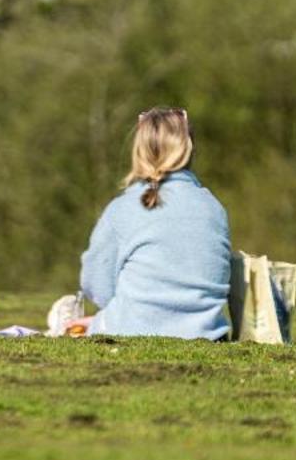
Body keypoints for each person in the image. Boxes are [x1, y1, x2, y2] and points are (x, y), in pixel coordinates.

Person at [66, 107, 231, 340]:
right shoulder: (213, 208)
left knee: (73, 323)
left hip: (130, 329)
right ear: (189, 149)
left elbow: (97, 287)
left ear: (139, 150)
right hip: (206, 332)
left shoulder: (122, 209)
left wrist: (114, 315)